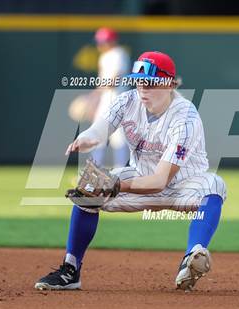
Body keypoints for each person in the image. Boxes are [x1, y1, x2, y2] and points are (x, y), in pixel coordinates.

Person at [35, 51, 227, 292]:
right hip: (139, 178)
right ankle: (70, 269)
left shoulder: (185, 118)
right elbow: (100, 130)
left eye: (150, 83)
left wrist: (116, 185)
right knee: (89, 188)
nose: (142, 89)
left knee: (215, 185)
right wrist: (86, 138)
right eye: (138, 82)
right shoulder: (127, 101)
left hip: (183, 187)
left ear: (169, 83)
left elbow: (159, 181)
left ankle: (192, 257)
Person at [69, 27, 130, 167]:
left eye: (103, 41)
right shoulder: (104, 57)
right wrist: (95, 100)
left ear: (112, 41)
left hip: (117, 100)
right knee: (97, 135)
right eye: (100, 42)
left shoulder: (119, 54)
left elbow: (114, 81)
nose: (100, 45)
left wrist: (95, 95)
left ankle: (119, 173)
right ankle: (93, 171)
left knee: (119, 139)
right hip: (106, 100)